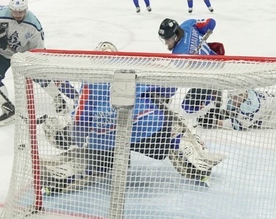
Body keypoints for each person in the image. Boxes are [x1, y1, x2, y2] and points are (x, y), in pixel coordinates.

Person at [39, 43, 225, 194]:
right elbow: (169, 89)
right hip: (145, 128)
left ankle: (72, 169)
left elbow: (80, 122)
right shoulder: (133, 70)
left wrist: (72, 137)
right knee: (173, 123)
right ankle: (190, 157)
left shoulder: (89, 80)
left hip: (107, 138)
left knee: (94, 156)